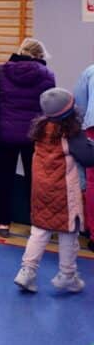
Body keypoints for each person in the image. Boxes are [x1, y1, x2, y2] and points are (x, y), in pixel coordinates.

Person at [13, 88, 94, 293]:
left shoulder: (41, 128)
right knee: (69, 232)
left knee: (40, 230)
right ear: (70, 112)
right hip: (65, 192)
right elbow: (88, 158)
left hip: (41, 189)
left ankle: (27, 271)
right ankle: (67, 275)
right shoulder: (72, 134)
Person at [0, 37, 55, 238]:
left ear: (20, 51)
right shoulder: (47, 75)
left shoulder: (0, 71)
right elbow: (50, 107)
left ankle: (3, 224)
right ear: (40, 55)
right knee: (35, 181)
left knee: (4, 179)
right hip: (34, 136)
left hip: (5, 135)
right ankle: (37, 224)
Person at [74, 62, 94, 243]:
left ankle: (91, 230)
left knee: (91, 182)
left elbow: (79, 105)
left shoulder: (90, 71)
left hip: (92, 128)